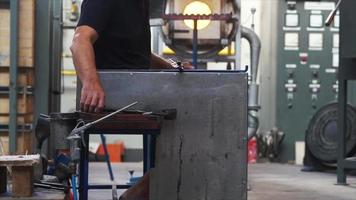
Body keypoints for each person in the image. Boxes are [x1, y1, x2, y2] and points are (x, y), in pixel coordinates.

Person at [71, 0, 190, 199]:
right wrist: (91, 82)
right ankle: (139, 193)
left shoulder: (139, 5)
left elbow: (137, 53)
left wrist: (170, 67)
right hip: (115, 96)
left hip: (136, 90)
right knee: (191, 124)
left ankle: (143, 189)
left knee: (194, 121)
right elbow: (79, 41)